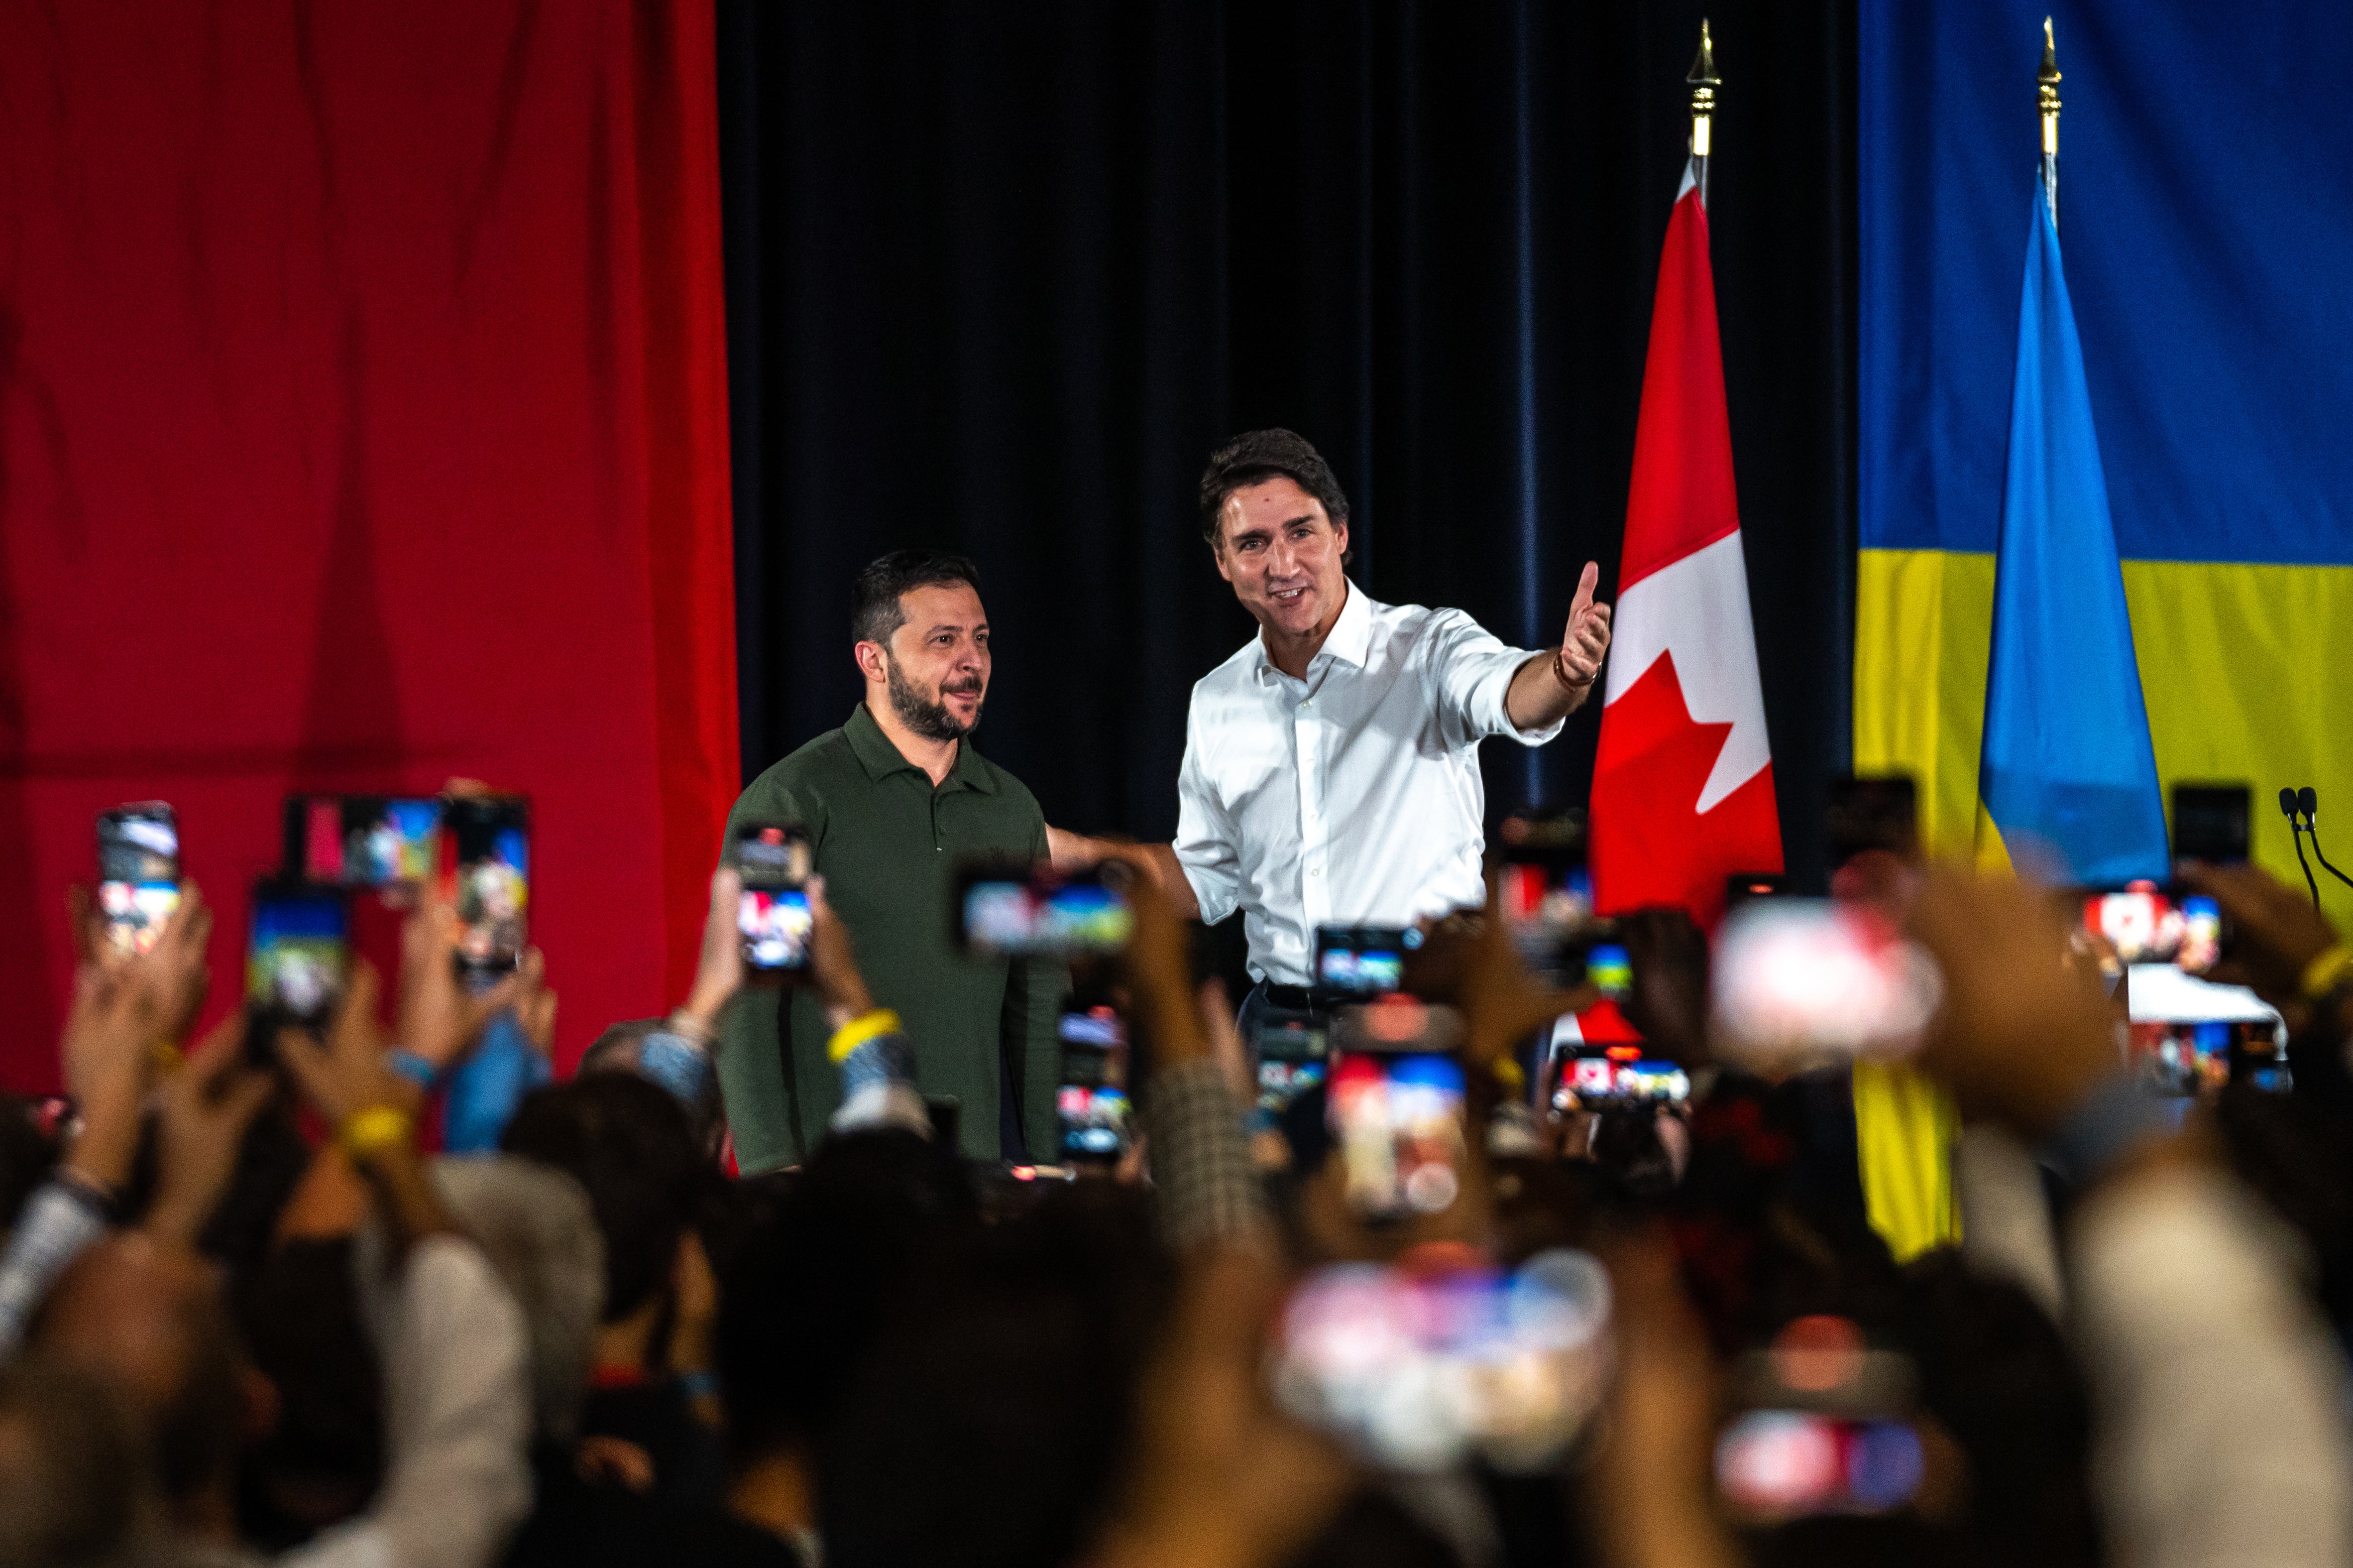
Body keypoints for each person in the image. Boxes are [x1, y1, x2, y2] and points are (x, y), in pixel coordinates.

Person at [1053, 429, 1613, 1031]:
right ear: (1221, 561)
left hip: (1420, 1024)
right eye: (1252, 544)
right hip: (1278, 1031)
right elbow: (1208, 877)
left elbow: (1514, 696)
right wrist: (1083, 856)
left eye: (1301, 532)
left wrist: (1564, 671)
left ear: (1340, 534)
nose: (1282, 565)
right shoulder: (1216, 698)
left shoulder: (1427, 648)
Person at [719, 549, 1064, 1169]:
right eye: (943, 639)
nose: (972, 661)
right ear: (872, 660)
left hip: (971, 1181)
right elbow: (751, 1005)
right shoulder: (789, 800)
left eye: (980, 639)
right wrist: (772, 1171)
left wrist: (1065, 1171)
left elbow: (1040, 1008)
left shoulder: (1014, 810)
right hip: (831, 1184)